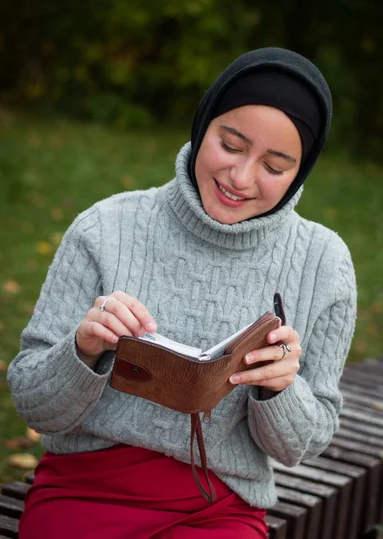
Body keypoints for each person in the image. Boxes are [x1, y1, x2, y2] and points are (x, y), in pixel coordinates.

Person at [8, 47, 357, 539]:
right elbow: (32, 403)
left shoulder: (324, 263)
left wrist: (278, 387)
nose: (240, 178)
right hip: (86, 490)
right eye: (231, 146)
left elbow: (301, 444)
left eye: (274, 167)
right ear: (202, 126)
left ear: (301, 172)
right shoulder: (106, 229)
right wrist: (83, 350)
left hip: (219, 510)